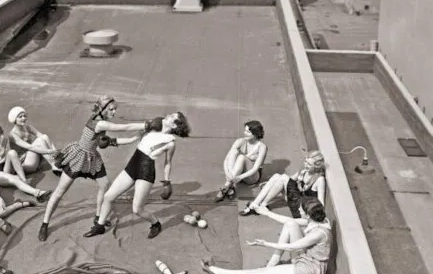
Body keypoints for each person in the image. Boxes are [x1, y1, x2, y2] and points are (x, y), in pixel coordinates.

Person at [37, 96, 148, 241]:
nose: (114, 112)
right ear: (102, 109)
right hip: (78, 156)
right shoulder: (100, 123)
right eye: (111, 109)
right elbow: (124, 128)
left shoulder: (100, 121)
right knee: (60, 191)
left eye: (115, 109)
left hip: (91, 157)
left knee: (105, 185)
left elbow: (110, 141)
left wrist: (134, 139)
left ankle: (98, 217)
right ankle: (44, 224)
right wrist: (146, 125)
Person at [84, 111, 191, 240]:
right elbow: (133, 137)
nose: (169, 115)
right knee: (108, 197)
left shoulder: (170, 142)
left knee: (137, 209)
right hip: (132, 165)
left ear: (174, 126)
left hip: (146, 171)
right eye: (171, 114)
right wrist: (112, 142)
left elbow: (168, 163)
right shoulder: (153, 127)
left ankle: (155, 223)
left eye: (173, 117)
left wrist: (167, 182)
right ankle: (100, 226)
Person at [202, 197, 332, 274]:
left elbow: (292, 247)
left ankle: (218, 273)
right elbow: (287, 221)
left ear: (308, 215)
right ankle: (272, 263)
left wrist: (265, 244)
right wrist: (267, 213)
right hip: (306, 258)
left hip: (307, 273)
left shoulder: (318, 233)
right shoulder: (317, 220)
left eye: (301, 209)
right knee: (290, 224)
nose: (299, 210)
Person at [0, 122, 52, 204]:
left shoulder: (3, 139)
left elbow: (10, 156)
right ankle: (38, 193)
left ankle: (24, 180)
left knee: (12, 152)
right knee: (14, 179)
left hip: (4, 167)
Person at [239, 150, 326, 218]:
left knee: (283, 177)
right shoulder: (304, 171)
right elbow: (290, 179)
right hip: (296, 199)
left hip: (301, 209)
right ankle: (257, 204)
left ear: (317, 166)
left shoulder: (319, 179)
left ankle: (260, 206)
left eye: (309, 164)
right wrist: (270, 183)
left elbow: (321, 203)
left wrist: (312, 217)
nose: (306, 165)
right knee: (277, 176)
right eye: (305, 162)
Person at [215, 120, 268, 202]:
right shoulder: (240, 141)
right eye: (245, 130)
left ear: (256, 133)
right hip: (236, 174)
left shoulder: (262, 147)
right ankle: (229, 186)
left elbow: (255, 169)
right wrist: (228, 174)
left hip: (252, 177)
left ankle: (227, 186)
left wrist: (239, 177)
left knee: (241, 157)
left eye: (248, 132)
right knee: (234, 151)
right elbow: (226, 160)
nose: (245, 133)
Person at [7, 106, 60, 174]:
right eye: (20, 117)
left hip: (32, 157)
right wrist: (50, 151)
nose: (23, 118)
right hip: (25, 164)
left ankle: (56, 158)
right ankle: (53, 165)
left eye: (24, 116)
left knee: (44, 136)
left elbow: (43, 137)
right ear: (14, 119)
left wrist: (54, 150)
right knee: (39, 142)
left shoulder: (28, 127)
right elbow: (30, 147)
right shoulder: (12, 135)